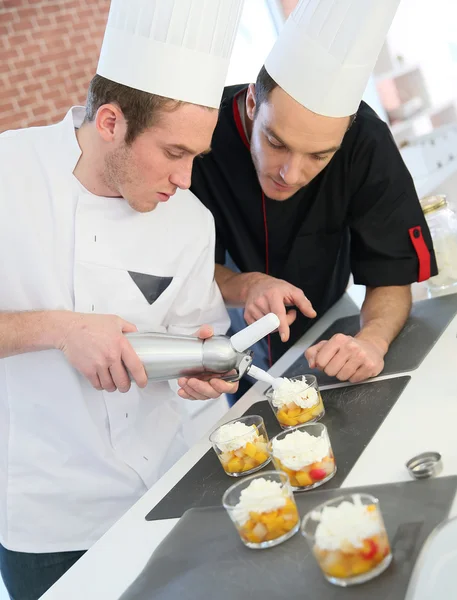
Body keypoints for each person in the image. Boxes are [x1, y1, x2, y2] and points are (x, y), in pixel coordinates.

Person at [0, 0, 244, 598]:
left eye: (196, 157)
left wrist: (201, 369)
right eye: (173, 153)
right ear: (110, 121)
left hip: (174, 493)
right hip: (48, 524)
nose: (184, 179)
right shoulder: (8, 175)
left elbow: (197, 340)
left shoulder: (189, 220)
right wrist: (60, 329)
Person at [191, 0, 437, 400]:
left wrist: (371, 340)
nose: (291, 173)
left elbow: (392, 272)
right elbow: (185, 267)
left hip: (333, 330)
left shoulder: (366, 142)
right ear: (252, 104)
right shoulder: (200, 137)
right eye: (275, 142)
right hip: (234, 345)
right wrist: (249, 285)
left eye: (319, 156)